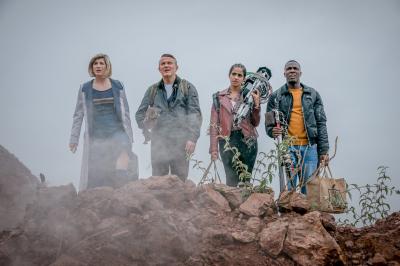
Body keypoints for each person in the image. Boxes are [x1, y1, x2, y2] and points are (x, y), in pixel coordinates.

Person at [69, 53, 135, 191]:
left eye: (101, 63)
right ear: (91, 68)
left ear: (107, 66)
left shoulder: (118, 86)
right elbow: (78, 115)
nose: (98, 66)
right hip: (96, 134)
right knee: (98, 170)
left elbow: (125, 112)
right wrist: (73, 138)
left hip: (117, 130)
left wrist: (130, 136)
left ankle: (121, 185)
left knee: (124, 150)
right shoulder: (84, 88)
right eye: (95, 64)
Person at [265, 60, 329, 194]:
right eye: (289, 69)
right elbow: (269, 123)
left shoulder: (313, 94)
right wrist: (272, 131)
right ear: (284, 73)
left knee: (309, 189)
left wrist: (324, 151)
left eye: (295, 68)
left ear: (300, 72)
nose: (292, 71)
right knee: (288, 189)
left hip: (310, 147)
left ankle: (307, 215)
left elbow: (321, 123)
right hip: (287, 147)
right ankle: (288, 214)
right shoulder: (276, 96)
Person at [135, 54, 202, 181]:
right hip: (159, 143)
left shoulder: (187, 88)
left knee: (180, 181)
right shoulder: (152, 90)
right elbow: (139, 114)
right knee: (158, 182)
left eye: (169, 63)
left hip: (181, 142)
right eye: (163, 63)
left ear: (176, 67)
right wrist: (146, 127)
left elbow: (195, 115)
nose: (166, 65)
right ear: (159, 69)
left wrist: (192, 139)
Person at [209, 63, 261, 187]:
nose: (236, 77)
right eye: (234, 74)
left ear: (244, 78)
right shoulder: (218, 97)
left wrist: (257, 105)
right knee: (231, 180)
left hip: (248, 141)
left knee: (245, 181)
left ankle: (245, 206)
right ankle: (232, 207)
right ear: (229, 75)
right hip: (227, 142)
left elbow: (256, 122)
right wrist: (214, 149)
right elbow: (213, 125)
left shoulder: (249, 96)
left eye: (240, 75)